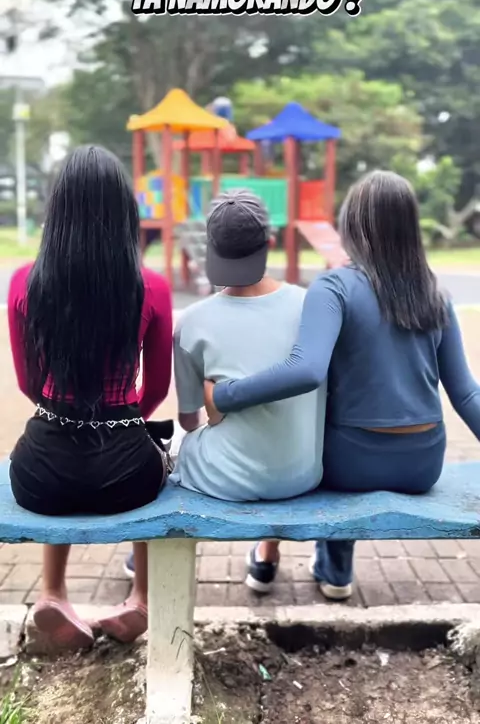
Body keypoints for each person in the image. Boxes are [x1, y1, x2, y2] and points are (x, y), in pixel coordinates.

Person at [205, 170, 480, 599]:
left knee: (301, 444)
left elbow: (306, 370)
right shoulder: (435, 294)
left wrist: (224, 396)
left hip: (350, 464)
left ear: (351, 224)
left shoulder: (334, 286)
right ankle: (334, 571)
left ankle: (267, 551)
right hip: (422, 464)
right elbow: (465, 393)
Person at [7, 145, 173, 648]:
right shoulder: (151, 287)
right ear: (125, 214)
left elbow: (28, 384)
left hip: (38, 478)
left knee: (54, 451)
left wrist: (68, 413)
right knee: (157, 452)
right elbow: (157, 388)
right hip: (127, 478)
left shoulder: (24, 283)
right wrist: (123, 420)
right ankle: (141, 598)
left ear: (57, 211)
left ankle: (53, 593)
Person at [170, 189, 326, 592]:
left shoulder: (191, 322)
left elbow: (189, 420)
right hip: (301, 474)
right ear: (270, 243)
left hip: (226, 480)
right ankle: (267, 552)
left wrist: (216, 404)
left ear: (210, 248)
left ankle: (143, 557)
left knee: (173, 450)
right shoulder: (311, 307)